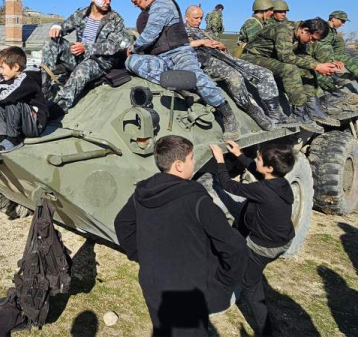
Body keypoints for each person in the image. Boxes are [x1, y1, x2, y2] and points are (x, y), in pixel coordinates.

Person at [115, 135, 248, 335]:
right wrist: (224, 281)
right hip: (188, 291)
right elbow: (234, 246)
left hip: (152, 282)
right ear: (178, 165)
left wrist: (141, 256)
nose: (194, 162)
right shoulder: (197, 201)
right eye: (191, 158)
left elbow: (122, 224)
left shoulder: (142, 192)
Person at [126, 0, 242, 140]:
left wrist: (133, 48)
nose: (136, 6)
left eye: (136, 2)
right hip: (161, 58)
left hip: (179, 53)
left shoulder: (162, 5)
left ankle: (226, 113)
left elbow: (150, 34)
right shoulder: (149, 11)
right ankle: (181, 86)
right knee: (131, 62)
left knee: (195, 76)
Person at [209, 140, 296, 336]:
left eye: (258, 158)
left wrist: (220, 161)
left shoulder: (262, 191)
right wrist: (239, 154)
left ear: (269, 167)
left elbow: (227, 184)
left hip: (264, 247)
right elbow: (258, 172)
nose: (255, 160)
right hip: (282, 238)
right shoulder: (281, 183)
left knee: (250, 285)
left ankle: (266, 331)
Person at [184, 6, 289, 130]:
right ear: (186, 17)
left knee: (264, 73)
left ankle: (275, 113)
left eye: (201, 18)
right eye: (196, 18)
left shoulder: (206, 32)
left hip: (225, 58)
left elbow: (225, 50)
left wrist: (221, 46)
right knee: (235, 78)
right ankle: (253, 111)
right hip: (206, 62)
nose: (199, 21)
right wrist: (200, 42)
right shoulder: (179, 32)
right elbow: (174, 49)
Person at [42, 0, 129, 115]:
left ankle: (59, 106)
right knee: (51, 42)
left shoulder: (115, 19)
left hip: (100, 61)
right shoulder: (82, 14)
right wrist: (57, 27)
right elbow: (65, 26)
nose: (108, 2)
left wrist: (86, 48)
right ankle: (44, 92)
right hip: (78, 56)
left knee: (82, 70)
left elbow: (113, 46)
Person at [242, 18, 337, 133]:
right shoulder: (284, 30)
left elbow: (303, 55)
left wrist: (320, 65)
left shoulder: (299, 35)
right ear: (305, 30)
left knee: (307, 69)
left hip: (271, 59)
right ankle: (298, 113)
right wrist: (316, 66)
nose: (312, 42)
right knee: (289, 69)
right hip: (252, 58)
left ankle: (312, 107)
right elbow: (285, 57)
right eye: (312, 39)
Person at [0, 46, 48, 154]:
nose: (1, 72)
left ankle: (14, 139)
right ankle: (1, 136)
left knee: (12, 100)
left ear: (16, 67)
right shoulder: (11, 78)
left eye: (3, 68)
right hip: (24, 123)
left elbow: (8, 96)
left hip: (35, 124)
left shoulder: (27, 79)